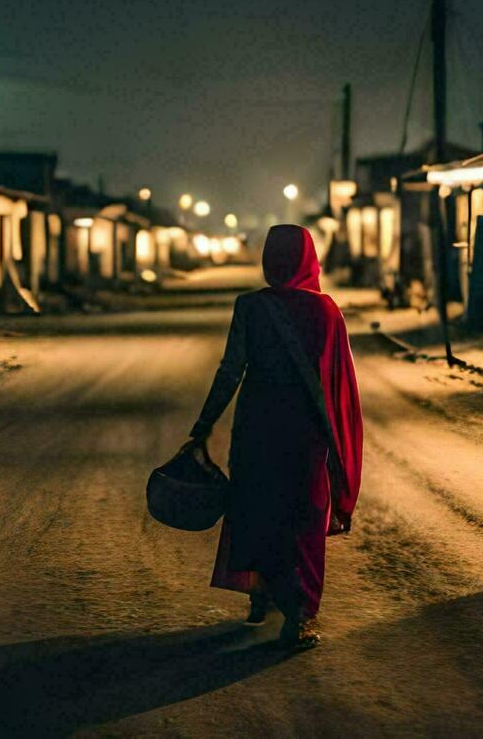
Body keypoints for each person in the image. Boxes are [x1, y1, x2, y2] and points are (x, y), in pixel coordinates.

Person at [187, 224, 363, 649]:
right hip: (304, 433)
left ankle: (262, 593)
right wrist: (340, 448)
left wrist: (203, 425)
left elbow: (231, 370)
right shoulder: (326, 312)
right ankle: (301, 616)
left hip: (256, 429)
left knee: (258, 508)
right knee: (303, 518)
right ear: (309, 258)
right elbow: (339, 384)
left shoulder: (250, 307)